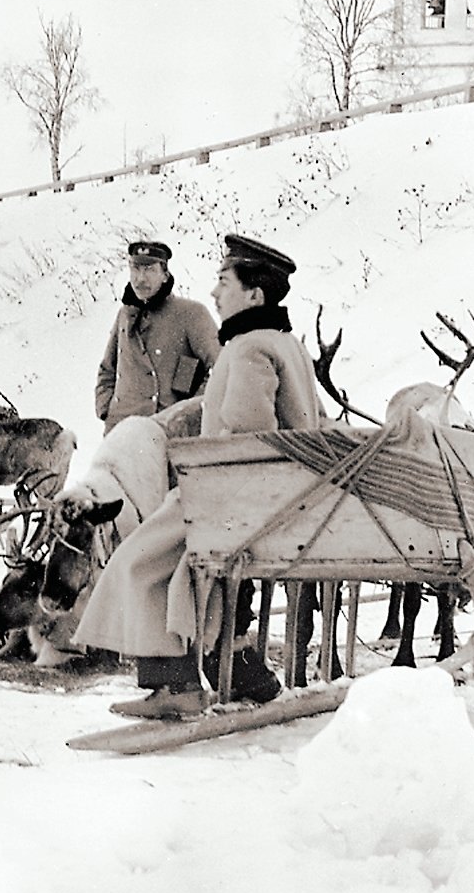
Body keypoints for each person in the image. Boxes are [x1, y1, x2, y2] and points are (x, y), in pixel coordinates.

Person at [71, 234, 326, 719]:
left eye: (224, 282)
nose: (214, 293)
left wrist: (193, 477)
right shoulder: (282, 342)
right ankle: (240, 669)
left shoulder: (248, 348)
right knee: (171, 564)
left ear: (255, 295)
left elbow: (247, 444)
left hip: (234, 502)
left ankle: (177, 685)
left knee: (139, 560)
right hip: (269, 500)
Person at [95, 240, 221, 434]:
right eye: (135, 269)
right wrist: (106, 410)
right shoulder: (125, 315)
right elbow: (107, 369)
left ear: (165, 275)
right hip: (120, 431)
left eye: (149, 270)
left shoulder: (191, 313)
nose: (140, 279)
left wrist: (187, 415)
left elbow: (220, 369)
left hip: (165, 433)